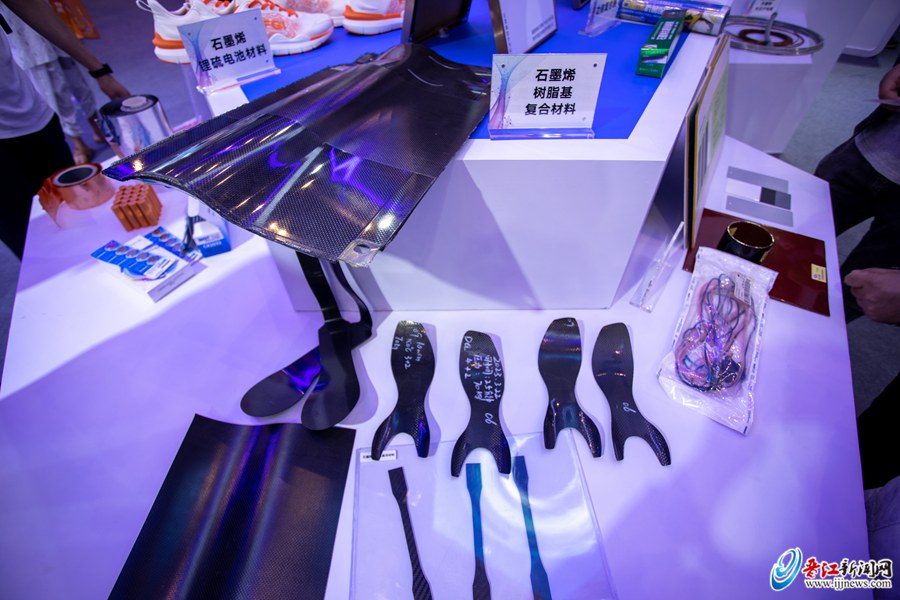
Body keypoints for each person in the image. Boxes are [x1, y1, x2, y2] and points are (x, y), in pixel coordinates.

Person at [0, 0, 129, 260]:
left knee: (79, 213)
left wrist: (99, 70)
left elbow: (29, 5)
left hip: (29, 113)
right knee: (32, 246)